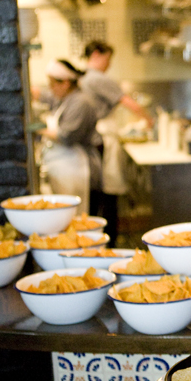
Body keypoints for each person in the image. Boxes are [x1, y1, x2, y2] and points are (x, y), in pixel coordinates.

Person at [79, 41, 151, 243]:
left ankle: (95, 241)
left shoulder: (84, 77)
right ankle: (109, 241)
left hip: (93, 141)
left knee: (97, 193)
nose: (108, 65)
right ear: (96, 54)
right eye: (107, 59)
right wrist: (149, 120)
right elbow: (129, 103)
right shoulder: (97, 79)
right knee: (108, 194)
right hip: (103, 140)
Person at [36, 60, 101, 215]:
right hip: (67, 169)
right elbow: (43, 96)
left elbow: (67, 137)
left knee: (79, 217)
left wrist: (38, 130)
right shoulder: (65, 99)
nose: (51, 89)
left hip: (79, 169)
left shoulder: (81, 102)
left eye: (52, 84)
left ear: (65, 83)